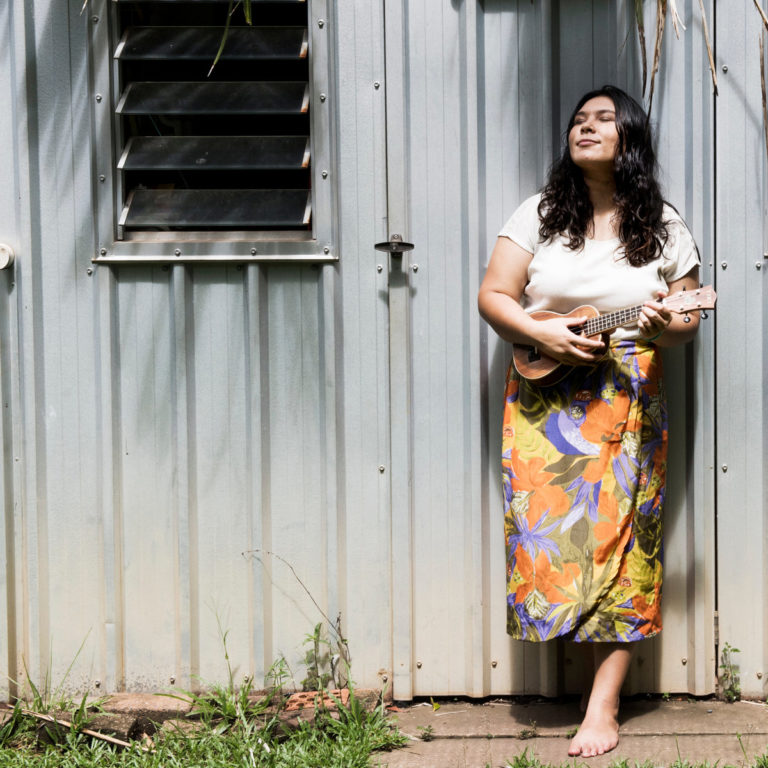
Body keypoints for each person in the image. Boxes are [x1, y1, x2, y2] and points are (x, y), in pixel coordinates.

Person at [477, 85, 700, 758]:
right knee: (552, 542)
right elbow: (494, 295)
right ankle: (580, 680)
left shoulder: (663, 224)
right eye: (578, 119)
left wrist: (662, 326)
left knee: (628, 544)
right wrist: (541, 334)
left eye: (603, 119)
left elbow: (686, 319)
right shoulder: (539, 213)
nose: (586, 126)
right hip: (543, 399)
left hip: (627, 396)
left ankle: (603, 705)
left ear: (630, 137)